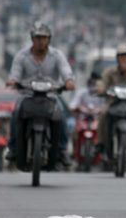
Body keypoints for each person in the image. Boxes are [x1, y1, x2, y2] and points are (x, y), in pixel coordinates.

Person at [5, 21, 76, 166]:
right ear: (32, 38)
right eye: (38, 37)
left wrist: (68, 81)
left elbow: (66, 72)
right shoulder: (22, 56)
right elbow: (15, 74)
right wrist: (13, 81)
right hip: (27, 95)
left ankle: (62, 150)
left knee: (62, 115)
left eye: (44, 37)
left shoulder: (57, 55)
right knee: (16, 112)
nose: (41, 41)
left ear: (49, 39)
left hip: (51, 96)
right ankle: (13, 148)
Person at [95, 44, 126, 165]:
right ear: (117, 58)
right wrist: (101, 88)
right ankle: (100, 144)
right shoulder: (109, 71)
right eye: (121, 56)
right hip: (113, 102)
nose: (124, 59)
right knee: (103, 114)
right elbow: (102, 82)